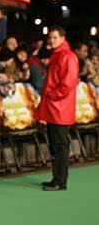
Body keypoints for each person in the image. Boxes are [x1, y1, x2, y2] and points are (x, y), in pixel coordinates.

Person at [36, 26, 79, 191]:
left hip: (59, 108)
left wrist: (50, 94)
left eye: (54, 37)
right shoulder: (60, 55)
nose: (51, 40)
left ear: (62, 38)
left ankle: (60, 180)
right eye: (50, 38)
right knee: (56, 145)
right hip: (56, 108)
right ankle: (57, 178)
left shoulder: (66, 56)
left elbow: (67, 84)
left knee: (60, 145)